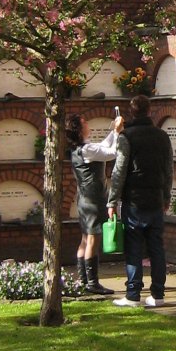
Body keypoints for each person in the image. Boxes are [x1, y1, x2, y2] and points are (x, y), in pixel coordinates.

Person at [107, 93, 174, 307]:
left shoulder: (126, 137)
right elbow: (168, 170)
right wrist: (166, 196)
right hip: (155, 198)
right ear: (149, 111)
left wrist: (112, 201)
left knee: (134, 248)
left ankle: (133, 295)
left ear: (131, 112)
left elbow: (119, 171)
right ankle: (158, 295)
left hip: (134, 200)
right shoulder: (162, 136)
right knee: (157, 248)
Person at [65, 112, 123, 295]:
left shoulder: (81, 149)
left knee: (84, 240)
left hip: (84, 200)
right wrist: (117, 132)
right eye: (85, 123)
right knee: (93, 240)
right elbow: (111, 153)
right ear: (79, 129)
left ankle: (83, 281)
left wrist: (114, 131)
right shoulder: (87, 150)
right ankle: (92, 283)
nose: (88, 125)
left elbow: (103, 146)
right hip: (94, 201)